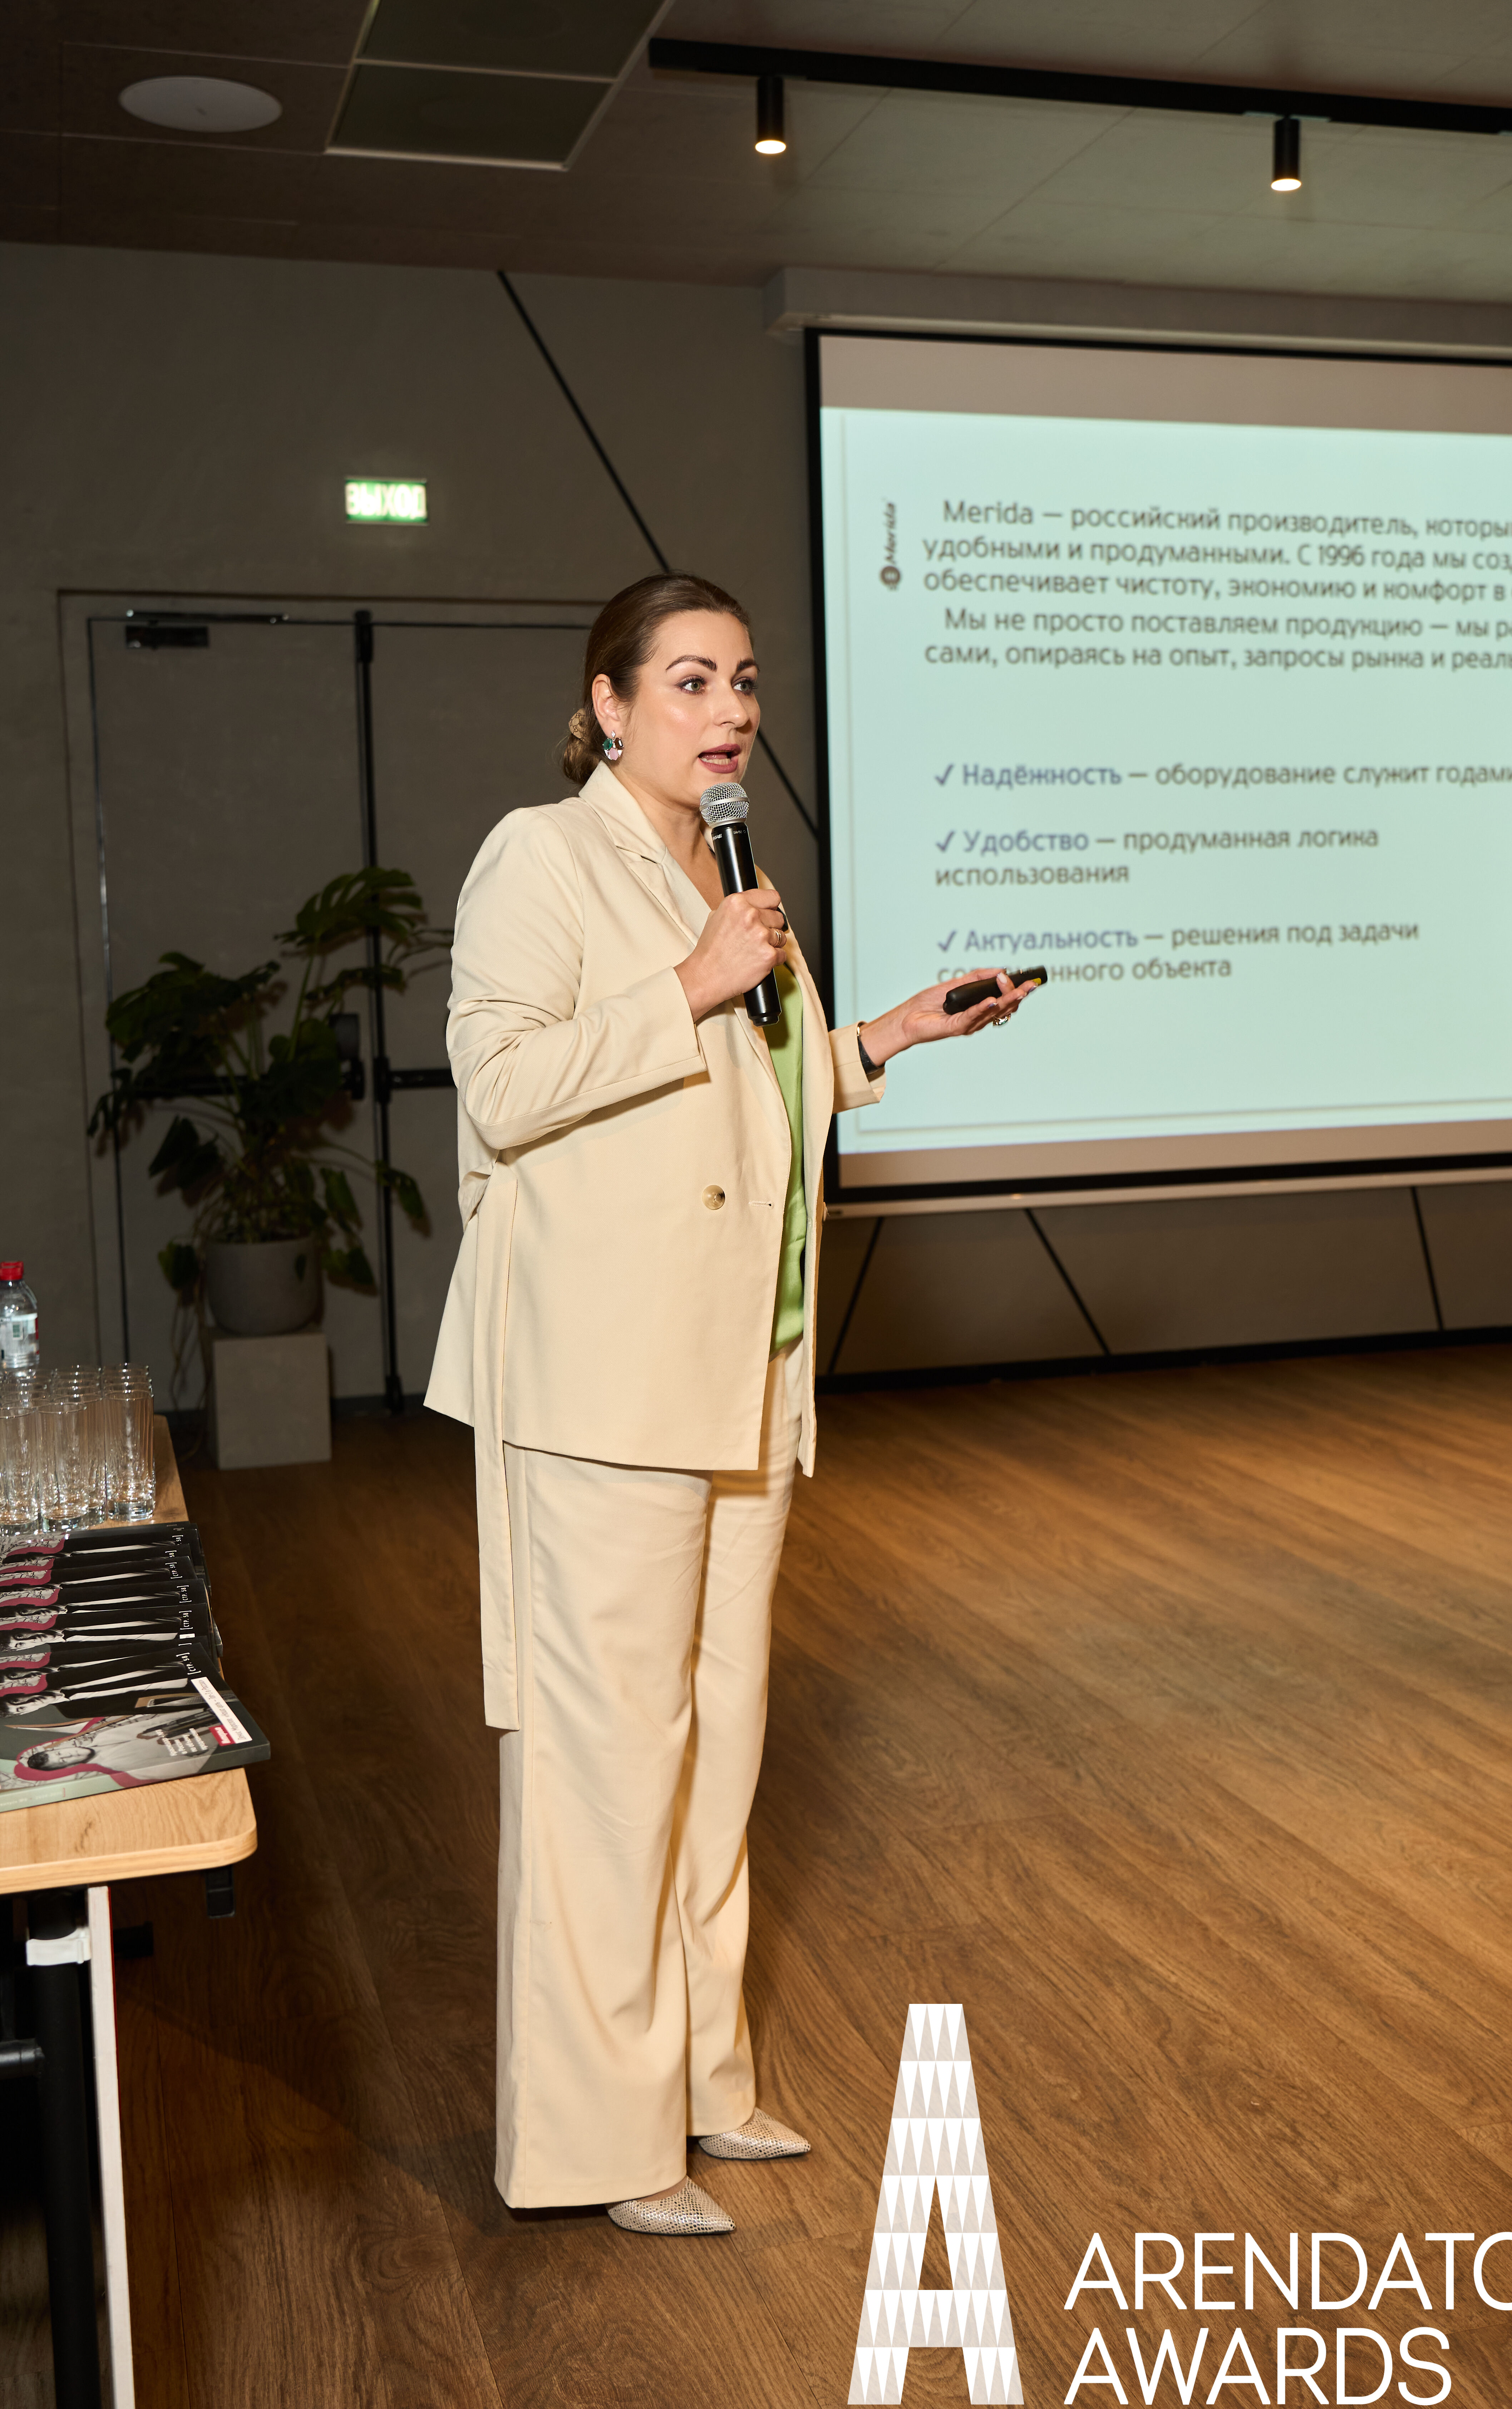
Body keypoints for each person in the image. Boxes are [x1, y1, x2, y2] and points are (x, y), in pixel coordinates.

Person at [425, 571, 1033, 2236]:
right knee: (606, 1764)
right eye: (689, 679)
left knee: (713, 1745)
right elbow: (502, 1084)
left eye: (744, 679)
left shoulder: (737, 874)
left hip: (744, 1374)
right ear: (607, 705)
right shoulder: (540, 857)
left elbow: (766, 1089)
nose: (731, 708)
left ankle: (702, 2073)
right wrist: (690, 981)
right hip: (604, 1381)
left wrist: (885, 1035)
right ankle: (602, 2144)